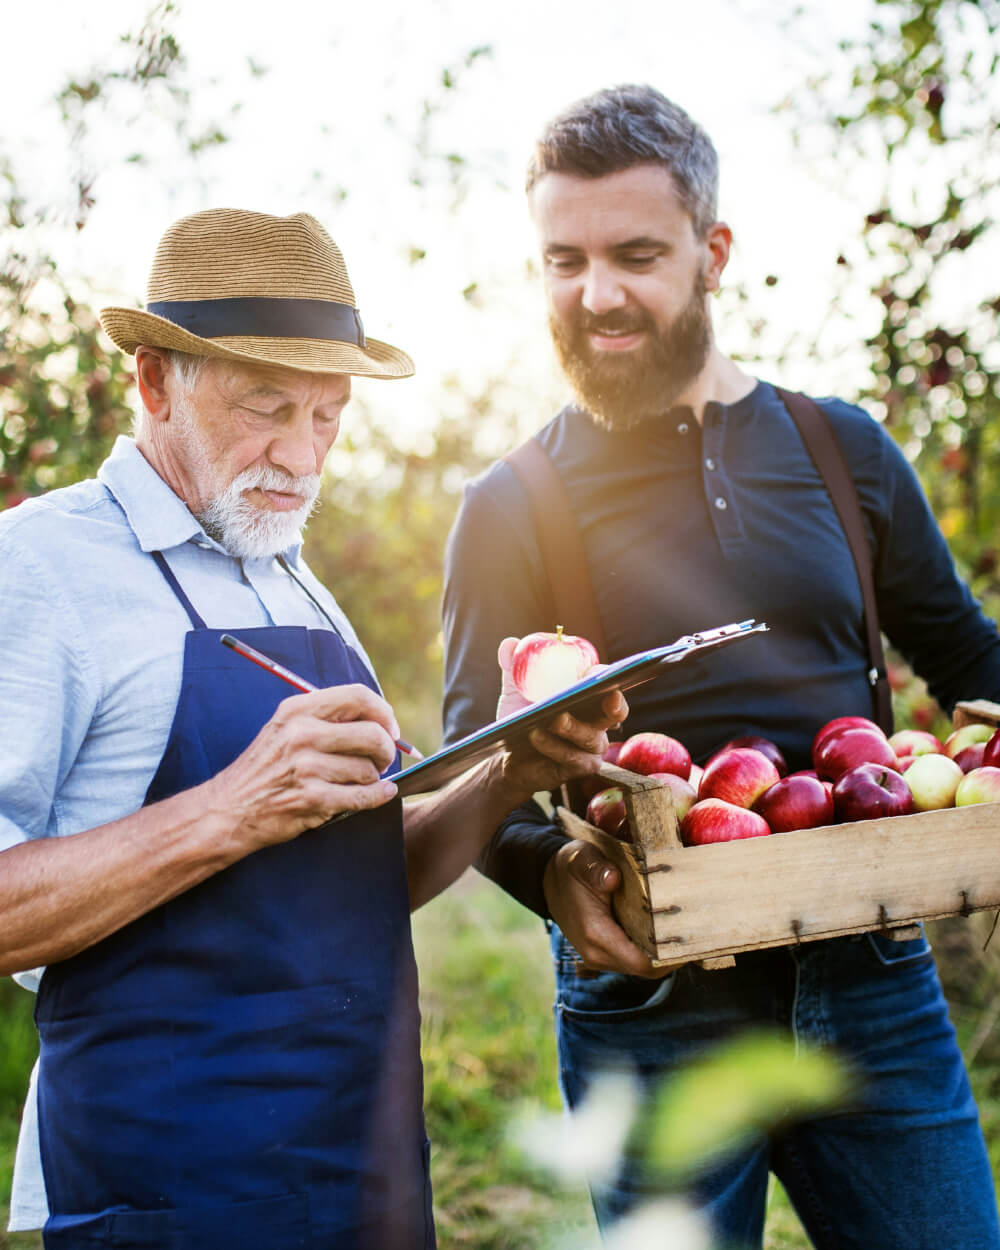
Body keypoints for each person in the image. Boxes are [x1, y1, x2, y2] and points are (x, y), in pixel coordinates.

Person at [0, 207, 626, 1250]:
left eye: (328, 415)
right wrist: (233, 806)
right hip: (169, 1192)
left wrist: (507, 773)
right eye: (267, 407)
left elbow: (361, 872)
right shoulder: (42, 568)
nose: (301, 454)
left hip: (361, 1173)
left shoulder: (292, 576)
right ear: (155, 381)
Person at [441, 85, 1000, 1249]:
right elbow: (469, 770)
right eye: (564, 259)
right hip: (650, 996)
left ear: (714, 251)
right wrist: (550, 872)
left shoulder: (840, 450)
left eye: (636, 255)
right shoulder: (510, 505)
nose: (597, 295)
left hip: (874, 976)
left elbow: (965, 656)